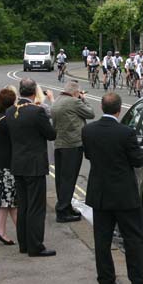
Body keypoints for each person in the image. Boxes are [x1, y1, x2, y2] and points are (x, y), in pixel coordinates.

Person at [82, 93, 143, 284]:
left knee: (102, 240)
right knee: (133, 239)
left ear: (103, 108)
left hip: (100, 193)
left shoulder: (88, 130)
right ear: (119, 109)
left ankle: (106, 281)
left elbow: (88, 155)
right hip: (124, 195)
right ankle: (138, 283)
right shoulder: (126, 132)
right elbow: (137, 160)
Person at [6, 78, 57, 257]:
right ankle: (35, 246)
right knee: (36, 207)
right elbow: (51, 135)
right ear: (35, 92)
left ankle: (24, 244)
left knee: (24, 205)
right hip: (34, 165)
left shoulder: (10, 111)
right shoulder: (37, 112)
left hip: (17, 164)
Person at [51, 80, 95, 223]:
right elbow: (91, 113)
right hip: (72, 145)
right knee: (69, 179)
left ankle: (65, 205)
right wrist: (84, 99)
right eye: (78, 93)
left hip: (59, 144)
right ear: (75, 93)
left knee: (61, 178)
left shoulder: (57, 100)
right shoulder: (74, 102)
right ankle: (63, 211)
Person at [0, 88, 18, 246]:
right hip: (5, 166)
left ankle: (1, 231)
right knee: (12, 202)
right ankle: (24, 232)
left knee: (5, 202)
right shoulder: (8, 120)